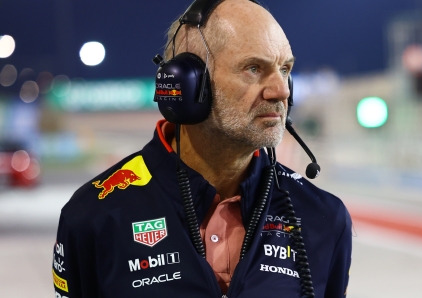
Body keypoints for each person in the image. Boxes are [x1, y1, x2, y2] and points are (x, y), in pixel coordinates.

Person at [52, 0, 352, 297]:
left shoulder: (322, 217)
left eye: (284, 69)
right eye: (253, 68)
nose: (282, 90)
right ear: (188, 84)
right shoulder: (93, 215)